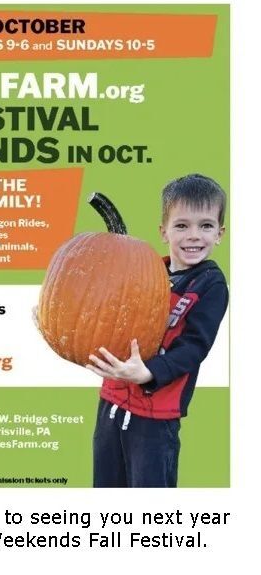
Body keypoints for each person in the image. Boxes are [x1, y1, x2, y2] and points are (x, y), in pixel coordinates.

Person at [87, 174, 228, 488]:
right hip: (111, 401)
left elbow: (194, 348)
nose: (193, 236)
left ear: (219, 233)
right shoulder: (147, 271)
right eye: (182, 226)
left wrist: (148, 373)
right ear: (163, 232)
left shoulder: (211, 285)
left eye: (205, 226)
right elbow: (109, 312)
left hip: (155, 416)